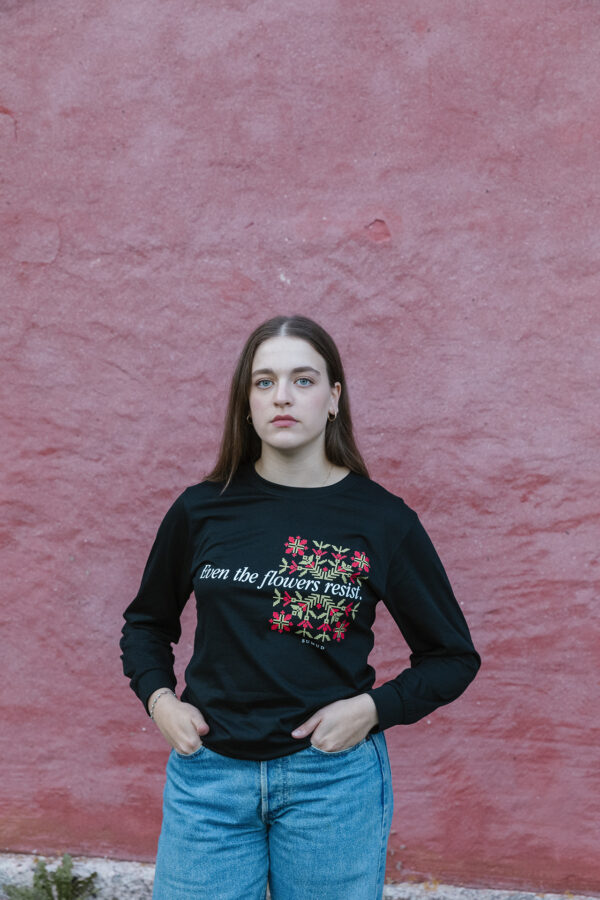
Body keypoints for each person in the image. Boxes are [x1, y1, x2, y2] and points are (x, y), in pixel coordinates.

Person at [120, 314, 480, 900]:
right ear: (246, 402)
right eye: (264, 382)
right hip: (209, 779)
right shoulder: (201, 510)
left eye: (303, 380)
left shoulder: (382, 521)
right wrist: (160, 702)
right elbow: (146, 624)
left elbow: (452, 657)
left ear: (334, 398)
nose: (281, 396)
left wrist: (372, 709)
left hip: (330, 784)